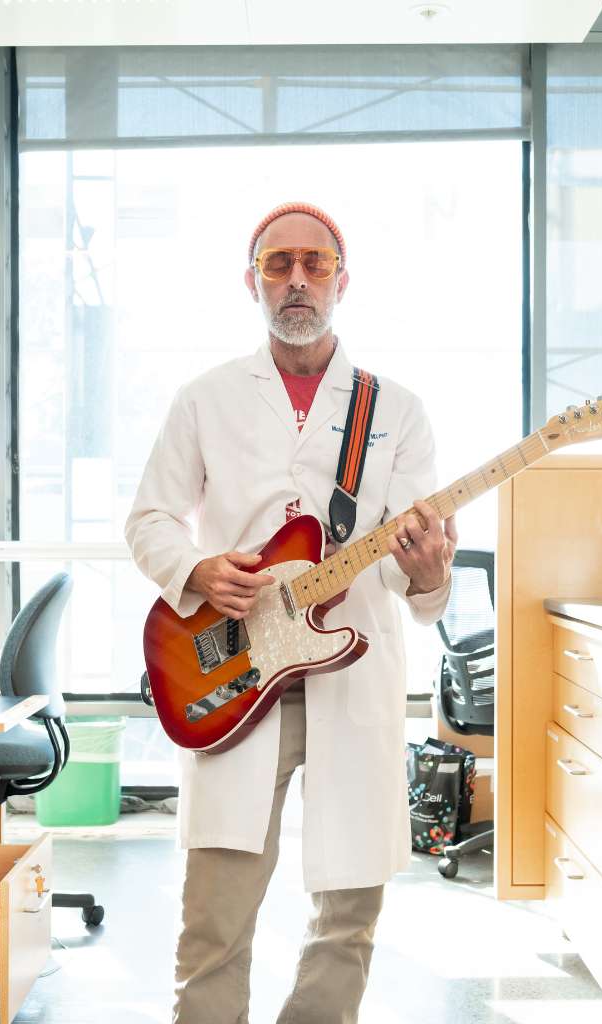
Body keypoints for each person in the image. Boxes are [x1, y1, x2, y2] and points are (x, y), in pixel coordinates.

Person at [125, 202, 456, 1024]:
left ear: (343, 280)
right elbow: (149, 520)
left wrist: (428, 573)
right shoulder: (205, 399)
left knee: (348, 923)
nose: (298, 279)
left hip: (356, 674)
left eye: (315, 263)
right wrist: (198, 567)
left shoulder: (397, 409)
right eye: (279, 264)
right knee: (214, 921)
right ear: (253, 282)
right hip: (234, 676)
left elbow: (425, 588)